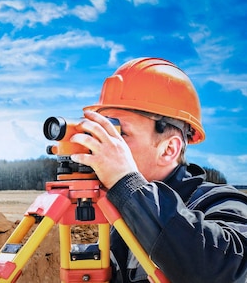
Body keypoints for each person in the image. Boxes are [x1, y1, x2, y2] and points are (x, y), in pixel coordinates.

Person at [69, 57, 247, 283]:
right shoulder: (113, 212)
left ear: (168, 149)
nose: (105, 143)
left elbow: (220, 270)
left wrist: (127, 184)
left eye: (120, 134)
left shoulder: (221, 204)